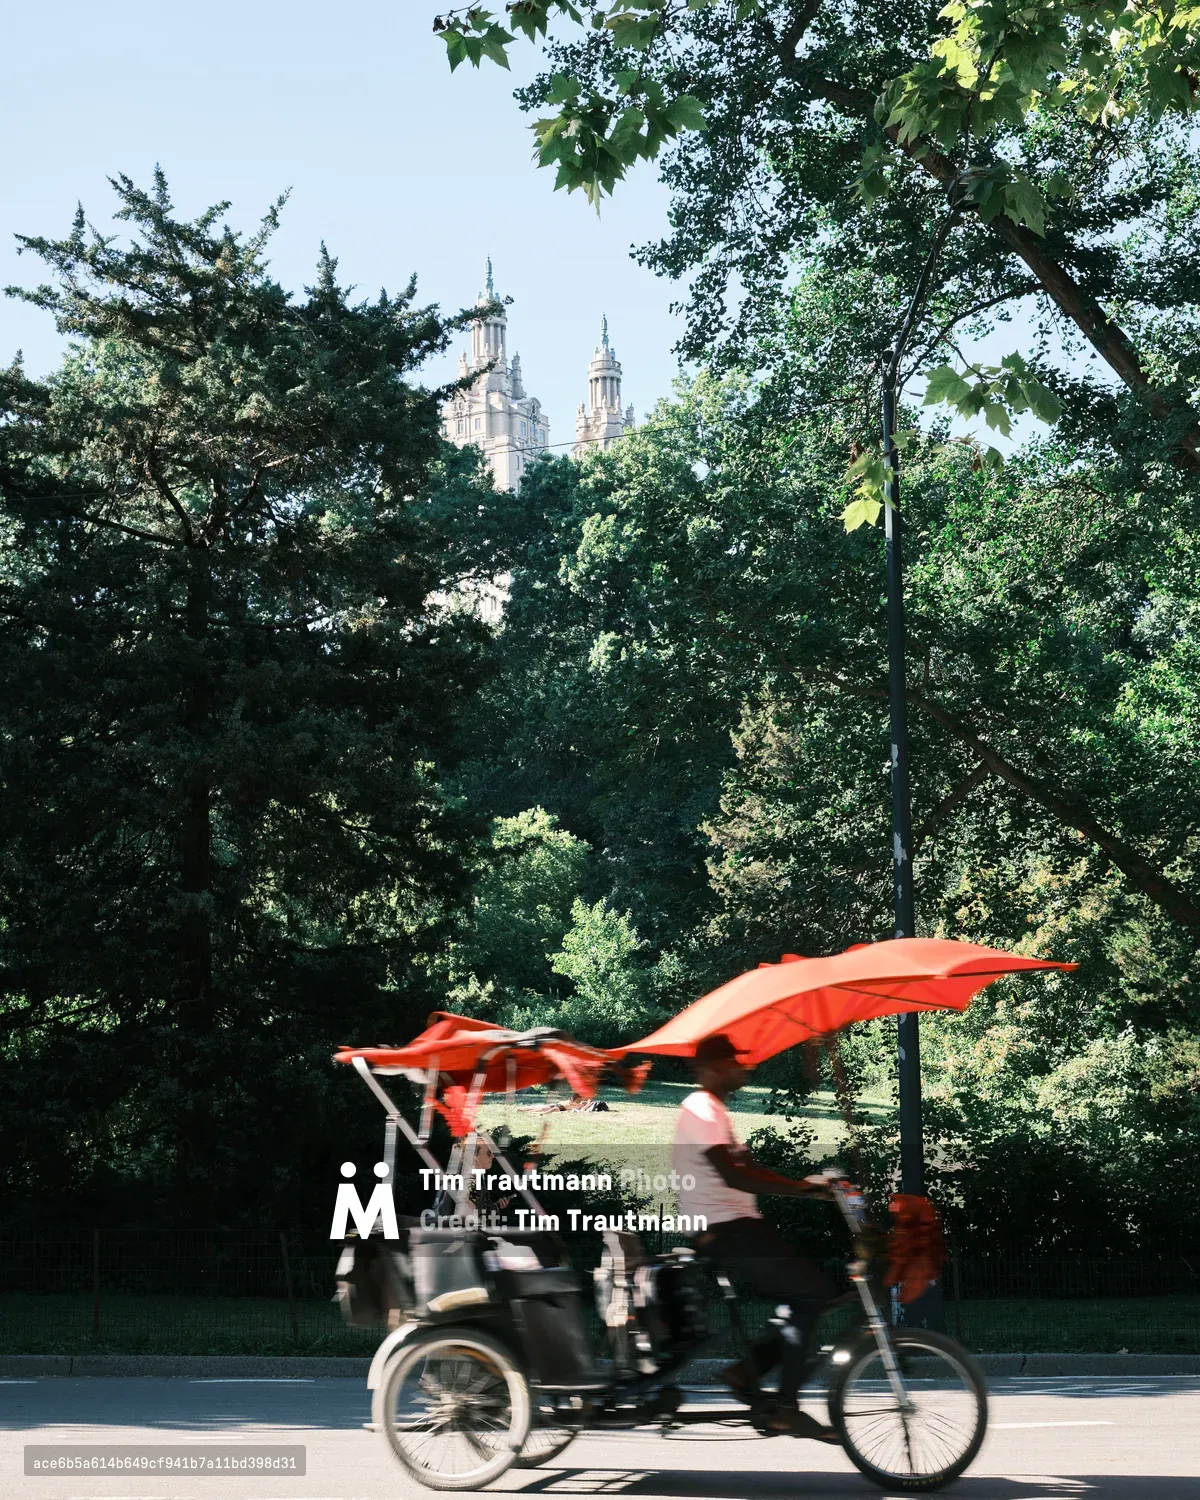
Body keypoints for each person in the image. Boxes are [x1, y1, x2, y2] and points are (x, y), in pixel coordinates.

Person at [673, 1033, 839, 1439]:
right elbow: (734, 1176)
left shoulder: (714, 1112)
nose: (742, 1068)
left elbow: (751, 1168)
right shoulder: (700, 1108)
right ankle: (783, 1408)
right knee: (811, 1294)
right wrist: (797, 1189)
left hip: (736, 1227)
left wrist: (805, 1185)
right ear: (711, 1069)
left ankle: (745, 1373)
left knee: (810, 1294)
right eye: (733, 1062)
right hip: (725, 1230)